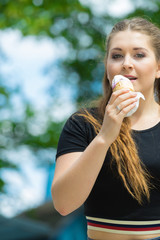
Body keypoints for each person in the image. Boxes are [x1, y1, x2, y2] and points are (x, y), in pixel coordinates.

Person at [51, 17, 160, 240]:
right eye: (117, 55)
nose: (126, 63)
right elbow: (63, 204)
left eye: (139, 55)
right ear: (107, 66)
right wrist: (104, 136)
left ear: (158, 67)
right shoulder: (82, 123)